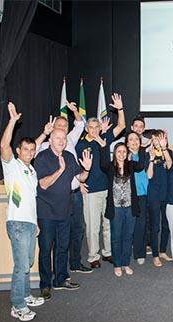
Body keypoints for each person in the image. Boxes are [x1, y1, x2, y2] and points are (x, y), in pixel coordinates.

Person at [35, 128, 92, 300]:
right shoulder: (42, 158)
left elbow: (80, 178)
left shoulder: (68, 156)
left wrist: (86, 170)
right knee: (46, 249)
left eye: (63, 139)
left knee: (62, 247)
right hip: (46, 213)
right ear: (50, 140)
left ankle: (60, 279)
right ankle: (45, 285)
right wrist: (60, 170)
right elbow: (43, 184)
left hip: (65, 211)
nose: (61, 141)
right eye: (57, 138)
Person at [1, 102, 45, 321]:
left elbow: (32, 200)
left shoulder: (31, 170)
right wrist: (12, 121)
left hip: (29, 223)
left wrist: (36, 223)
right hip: (17, 223)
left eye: (32, 150)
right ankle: (17, 305)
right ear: (18, 151)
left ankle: (26, 295)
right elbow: (4, 146)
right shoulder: (13, 166)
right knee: (20, 266)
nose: (29, 152)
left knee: (27, 263)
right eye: (25, 149)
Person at [75, 93, 126, 268]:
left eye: (97, 126)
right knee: (92, 226)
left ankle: (108, 253)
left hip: (107, 189)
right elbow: (73, 166)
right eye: (91, 126)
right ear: (86, 128)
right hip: (91, 190)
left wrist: (119, 109)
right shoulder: (80, 145)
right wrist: (79, 182)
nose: (95, 129)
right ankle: (93, 256)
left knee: (107, 223)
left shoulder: (104, 138)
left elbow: (121, 126)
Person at [100, 140, 145, 276]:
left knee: (128, 236)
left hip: (130, 206)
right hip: (115, 207)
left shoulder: (131, 165)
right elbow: (102, 164)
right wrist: (103, 147)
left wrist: (141, 148)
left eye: (124, 151)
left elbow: (141, 166)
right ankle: (117, 264)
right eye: (119, 151)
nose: (121, 154)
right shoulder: (110, 167)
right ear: (115, 153)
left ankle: (126, 263)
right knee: (116, 236)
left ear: (127, 153)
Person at [146, 130, 173, 267]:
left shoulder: (168, 152)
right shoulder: (148, 154)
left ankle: (163, 250)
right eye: (155, 139)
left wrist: (164, 149)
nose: (157, 141)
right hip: (153, 195)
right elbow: (149, 176)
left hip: (167, 194)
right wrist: (151, 160)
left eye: (160, 139)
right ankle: (155, 254)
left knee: (166, 224)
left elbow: (170, 165)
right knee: (155, 225)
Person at [127, 131, 150, 265]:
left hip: (143, 193)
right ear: (127, 142)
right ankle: (128, 249)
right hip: (128, 194)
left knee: (141, 224)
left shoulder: (144, 155)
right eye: (131, 139)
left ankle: (140, 253)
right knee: (129, 224)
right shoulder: (123, 155)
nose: (134, 142)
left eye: (137, 139)